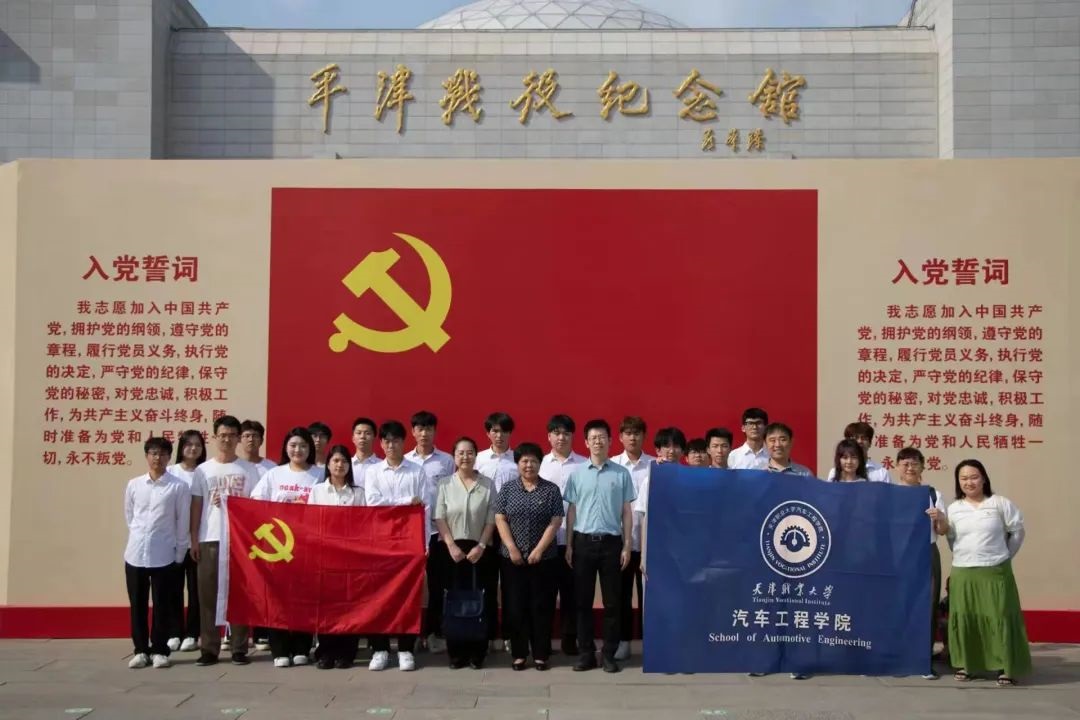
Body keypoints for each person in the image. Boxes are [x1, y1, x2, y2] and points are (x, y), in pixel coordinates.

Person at [946, 459, 1031, 686]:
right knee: (967, 617)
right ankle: (968, 665)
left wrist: (1005, 556)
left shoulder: (999, 503)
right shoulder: (954, 509)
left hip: (995, 571)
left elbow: (1017, 532)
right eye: (963, 478)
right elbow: (952, 539)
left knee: (1000, 617)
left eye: (974, 477)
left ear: (983, 478)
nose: (969, 482)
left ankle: (1006, 667)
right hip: (964, 572)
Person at [565, 419, 636, 673]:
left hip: (611, 544)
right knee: (582, 602)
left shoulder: (621, 473)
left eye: (602, 437)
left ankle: (608, 654)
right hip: (583, 543)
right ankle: (586, 654)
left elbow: (627, 512)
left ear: (610, 441)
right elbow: (572, 511)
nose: (598, 441)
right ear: (586, 442)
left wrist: (627, 545)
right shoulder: (577, 474)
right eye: (593, 438)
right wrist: (569, 545)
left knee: (612, 602)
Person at [190, 415, 260, 667]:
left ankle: (239, 647)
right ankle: (209, 648)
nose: (227, 440)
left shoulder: (248, 469)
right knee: (207, 595)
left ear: (238, 438)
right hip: (210, 537)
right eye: (223, 435)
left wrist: (235, 502)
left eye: (232, 435)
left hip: (239, 540)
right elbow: (196, 506)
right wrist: (194, 539)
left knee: (239, 594)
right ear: (214, 437)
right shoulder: (203, 470)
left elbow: (256, 505)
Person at [251, 427, 319, 668]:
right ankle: (279, 649)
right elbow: (255, 503)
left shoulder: (319, 474)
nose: (297, 450)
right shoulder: (274, 474)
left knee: (304, 598)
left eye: (303, 445)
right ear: (286, 448)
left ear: (310, 448)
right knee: (277, 598)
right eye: (293, 445)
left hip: (308, 546)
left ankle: (302, 647)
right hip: (277, 546)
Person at [494, 442, 563, 671]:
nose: (529, 465)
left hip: (544, 559)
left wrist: (539, 550)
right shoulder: (508, 489)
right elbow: (500, 518)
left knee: (542, 606)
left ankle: (541, 654)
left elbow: (555, 521)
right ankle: (519, 654)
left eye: (533, 461)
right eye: (524, 461)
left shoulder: (551, 490)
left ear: (540, 463)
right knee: (515, 607)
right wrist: (512, 548)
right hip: (512, 559)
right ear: (517, 463)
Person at [365, 420, 427, 671]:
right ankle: (380, 649)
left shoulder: (417, 472)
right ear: (381, 444)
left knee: (407, 596)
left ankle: (405, 649)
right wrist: (405, 501)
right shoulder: (373, 472)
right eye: (387, 441)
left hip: (409, 543)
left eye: (396, 441)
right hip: (380, 542)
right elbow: (374, 504)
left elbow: (424, 507)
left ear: (404, 442)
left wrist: (424, 543)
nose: (391, 446)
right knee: (378, 597)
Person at [124, 437, 190, 669]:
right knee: (138, 605)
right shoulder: (134, 485)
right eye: (153, 453)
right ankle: (141, 650)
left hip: (164, 555)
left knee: (163, 605)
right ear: (146, 456)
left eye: (162, 454)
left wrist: (179, 553)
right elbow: (130, 516)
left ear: (169, 457)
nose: (157, 458)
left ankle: (160, 650)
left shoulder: (178, 487)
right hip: (135, 554)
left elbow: (182, 522)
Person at [434, 437, 497, 669]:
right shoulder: (444, 484)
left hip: (481, 549)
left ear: (476, 455)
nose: (465, 457)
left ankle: (478, 651)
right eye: (460, 453)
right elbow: (439, 516)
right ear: (454, 456)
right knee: (454, 598)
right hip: (451, 550)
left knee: (481, 598)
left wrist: (481, 546)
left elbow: (491, 518)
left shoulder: (487, 484)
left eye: (470, 452)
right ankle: (456, 652)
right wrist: (451, 545)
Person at [308, 444, 365, 669]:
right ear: (328, 464)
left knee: (349, 606)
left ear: (349, 466)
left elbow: (364, 525)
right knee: (326, 606)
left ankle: (346, 653)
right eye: (335, 461)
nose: (340, 465)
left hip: (350, 558)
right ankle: (326, 652)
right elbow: (310, 524)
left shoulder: (358, 493)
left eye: (344, 461)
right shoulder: (317, 491)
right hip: (325, 558)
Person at [404, 410, 456, 654]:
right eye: (420, 429)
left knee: (437, 586)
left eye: (429, 429)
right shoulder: (405, 461)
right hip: (410, 534)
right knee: (409, 587)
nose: (424, 433)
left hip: (437, 532)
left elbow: (451, 494)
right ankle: (411, 633)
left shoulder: (446, 461)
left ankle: (433, 633)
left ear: (435, 431)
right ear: (413, 432)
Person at [896, 446, 948, 680]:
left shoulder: (933, 494)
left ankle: (923, 659)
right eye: (905, 464)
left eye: (915, 464)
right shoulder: (890, 493)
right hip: (898, 555)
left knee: (928, 606)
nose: (910, 468)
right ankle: (899, 658)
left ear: (923, 467)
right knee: (899, 605)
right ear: (897, 467)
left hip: (927, 551)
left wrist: (940, 518)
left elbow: (943, 530)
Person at [539, 414, 587, 656]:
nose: (561, 437)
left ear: (573, 436)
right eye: (556, 433)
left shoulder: (584, 464)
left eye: (566, 433)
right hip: (544, 540)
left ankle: (570, 640)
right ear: (549, 436)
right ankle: (543, 641)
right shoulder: (539, 464)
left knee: (572, 593)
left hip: (575, 539)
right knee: (544, 593)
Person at [609, 416, 653, 661]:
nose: (633, 437)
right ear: (620, 437)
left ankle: (651, 643)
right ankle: (623, 642)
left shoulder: (655, 465)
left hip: (650, 543)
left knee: (650, 598)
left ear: (644, 436)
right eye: (628, 433)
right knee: (621, 596)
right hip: (621, 542)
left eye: (637, 433)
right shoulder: (612, 465)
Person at [166, 429, 206, 653]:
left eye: (197, 445)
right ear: (181, 447)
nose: (193, 448)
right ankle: (174, 632)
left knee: (195, 589)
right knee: (173, 588)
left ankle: (192, 633)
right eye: (189, 444)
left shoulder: (204, 472)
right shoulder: (170, 472)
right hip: (172, 540)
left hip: (197, 539)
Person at [238, 419, 275, 651]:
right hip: (240, 533)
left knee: (264, 583)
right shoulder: (235, 466)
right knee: (239, 582)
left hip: (267, 535)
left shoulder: (271, 468)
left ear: (262, 439)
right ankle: (233, 632)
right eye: (246, 435)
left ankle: (262, 632)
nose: (251, 440)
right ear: (240, 439)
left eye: (255, 436)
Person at [826, 422, 891, 483]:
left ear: (870, 443)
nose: (859, 441)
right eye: (855, 438)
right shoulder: (834, 473)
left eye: (864, 438)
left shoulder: (881, 472)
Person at [475, 412, 519, 492]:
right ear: (488, 434)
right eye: (495, 431)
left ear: (510, 433)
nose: (499, 435)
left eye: (504, 431)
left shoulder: (518, 459)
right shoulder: (478, 458)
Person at [351, 416, 380, 490]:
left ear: (374, 438)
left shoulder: (382, 465)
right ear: (353, 438)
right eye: (359, 433)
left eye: (367, 433)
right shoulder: (346, 465)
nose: (362, 437)